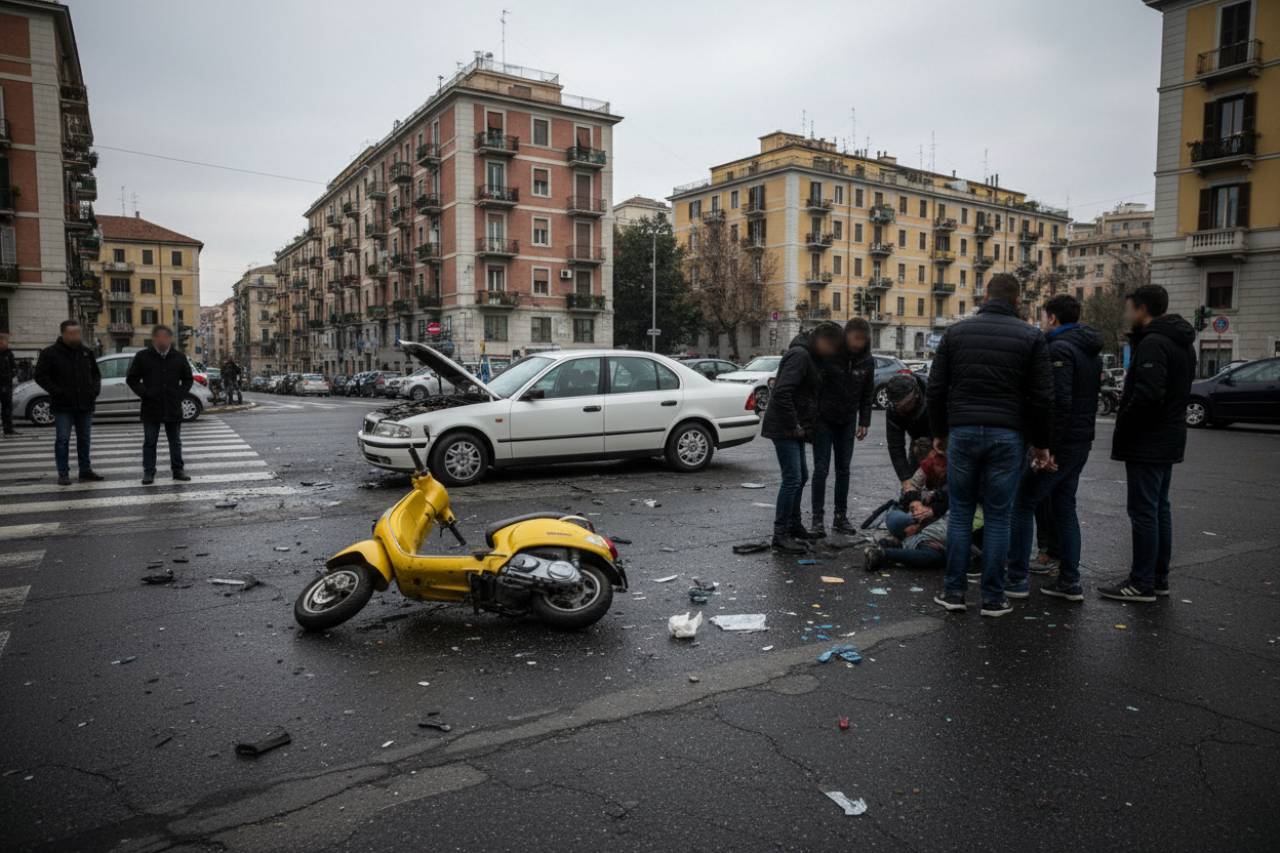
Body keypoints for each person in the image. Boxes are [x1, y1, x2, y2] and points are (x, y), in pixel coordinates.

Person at [926, 273, 1053, 617]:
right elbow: (1041, 397)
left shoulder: (955, 332)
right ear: (1017, 301)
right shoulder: (1031, 336)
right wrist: (1041, 444)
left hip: (963, 431)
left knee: (961, 512)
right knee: (999, 516)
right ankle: (994, 598)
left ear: (984, 298)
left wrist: (939, 431)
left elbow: (935, 387)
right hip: (1008, 434)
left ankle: (954, 593)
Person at [1100, 284, 1196, 603]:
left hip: (1148, 439)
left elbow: (1148, 394)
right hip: (1169, 435)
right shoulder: (1180, 341)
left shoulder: (1154, 342)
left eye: (1129, 308)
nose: (1127, 314)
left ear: (1143, 309)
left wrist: (1125, 422)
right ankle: (1157, 577)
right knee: (1159, 509)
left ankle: (1141, 582)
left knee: (1144, 511)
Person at [1005, 294, 1102, 602]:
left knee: (1023, 502)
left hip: (1063, 443)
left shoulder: (1060, 349)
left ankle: (1016, 577)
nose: (1041, 322)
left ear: (1054, 319)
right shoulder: (1090, 350)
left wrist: (1046, 449)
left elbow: (1058, 402)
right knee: (1064, 506)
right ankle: (1069, 581)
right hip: (1081, 440)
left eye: (1043, 316)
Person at [761, 322, 843, 553]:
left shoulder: (808, 355)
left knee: (801, 475)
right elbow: (782, 393)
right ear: (822, 341)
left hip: (794, 427)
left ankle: (794, 526)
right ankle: (780, 534)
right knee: (792, 478)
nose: (833, 352)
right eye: (832, 347)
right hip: (785, 426)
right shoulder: (799, 355)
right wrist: (795, 424)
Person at [809, 318, 874, 536]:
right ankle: (817, 519)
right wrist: (814, 413)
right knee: (821, 469)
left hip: (847, 420)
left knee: (843, 469)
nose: (859, 343)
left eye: (863, 340)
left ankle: (840, 517)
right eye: (856, 338)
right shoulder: (831, 354)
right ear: (846, 336)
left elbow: (867, 393)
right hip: (824, 419)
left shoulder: (867, 361)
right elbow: (816, 383)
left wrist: (865, 420)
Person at [34, 319, 103, 485]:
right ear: (63, 334)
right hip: (63, 405)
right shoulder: (50, 353)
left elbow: (96, 375)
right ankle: (63, 473)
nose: (75, 336)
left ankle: (85, 470)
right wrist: (58, 391)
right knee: (63, 439)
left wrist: (94, 391)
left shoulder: (86, 352)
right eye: (72, 333)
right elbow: (40, 376)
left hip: (85, 403)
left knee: (84, 439)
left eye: (77, 333)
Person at [127, 324, 194, 485]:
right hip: (151, 406)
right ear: (154, 339)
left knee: (175, 441)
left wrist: (179, 394)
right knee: (150, 441)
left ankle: (178, 470)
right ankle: (149, 472)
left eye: (166, 337)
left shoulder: (179, 357)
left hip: (172, 405)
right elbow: (132, 379)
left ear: (170, 338)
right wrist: (145, 393)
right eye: (159, 337)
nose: (163, 340)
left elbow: (188, 379)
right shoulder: (143, 356)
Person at [883, 373, 933, 489]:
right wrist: (905, 479)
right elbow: (896, 446)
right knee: (911, 487)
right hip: (917, 441)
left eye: (906, 405)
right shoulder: (893, 410)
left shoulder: (932, 396)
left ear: (916, 394)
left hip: (942, 437)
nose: (901, 410)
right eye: (897, 406)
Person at [0, 331, 16, 436]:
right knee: (6, 407)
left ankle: (8, 429)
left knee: (7, 408)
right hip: (3, 383)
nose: (7, 343)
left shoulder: (8, 353)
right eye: (6, 341)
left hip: (6, 385)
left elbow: (13, 367)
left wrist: (12, 375)